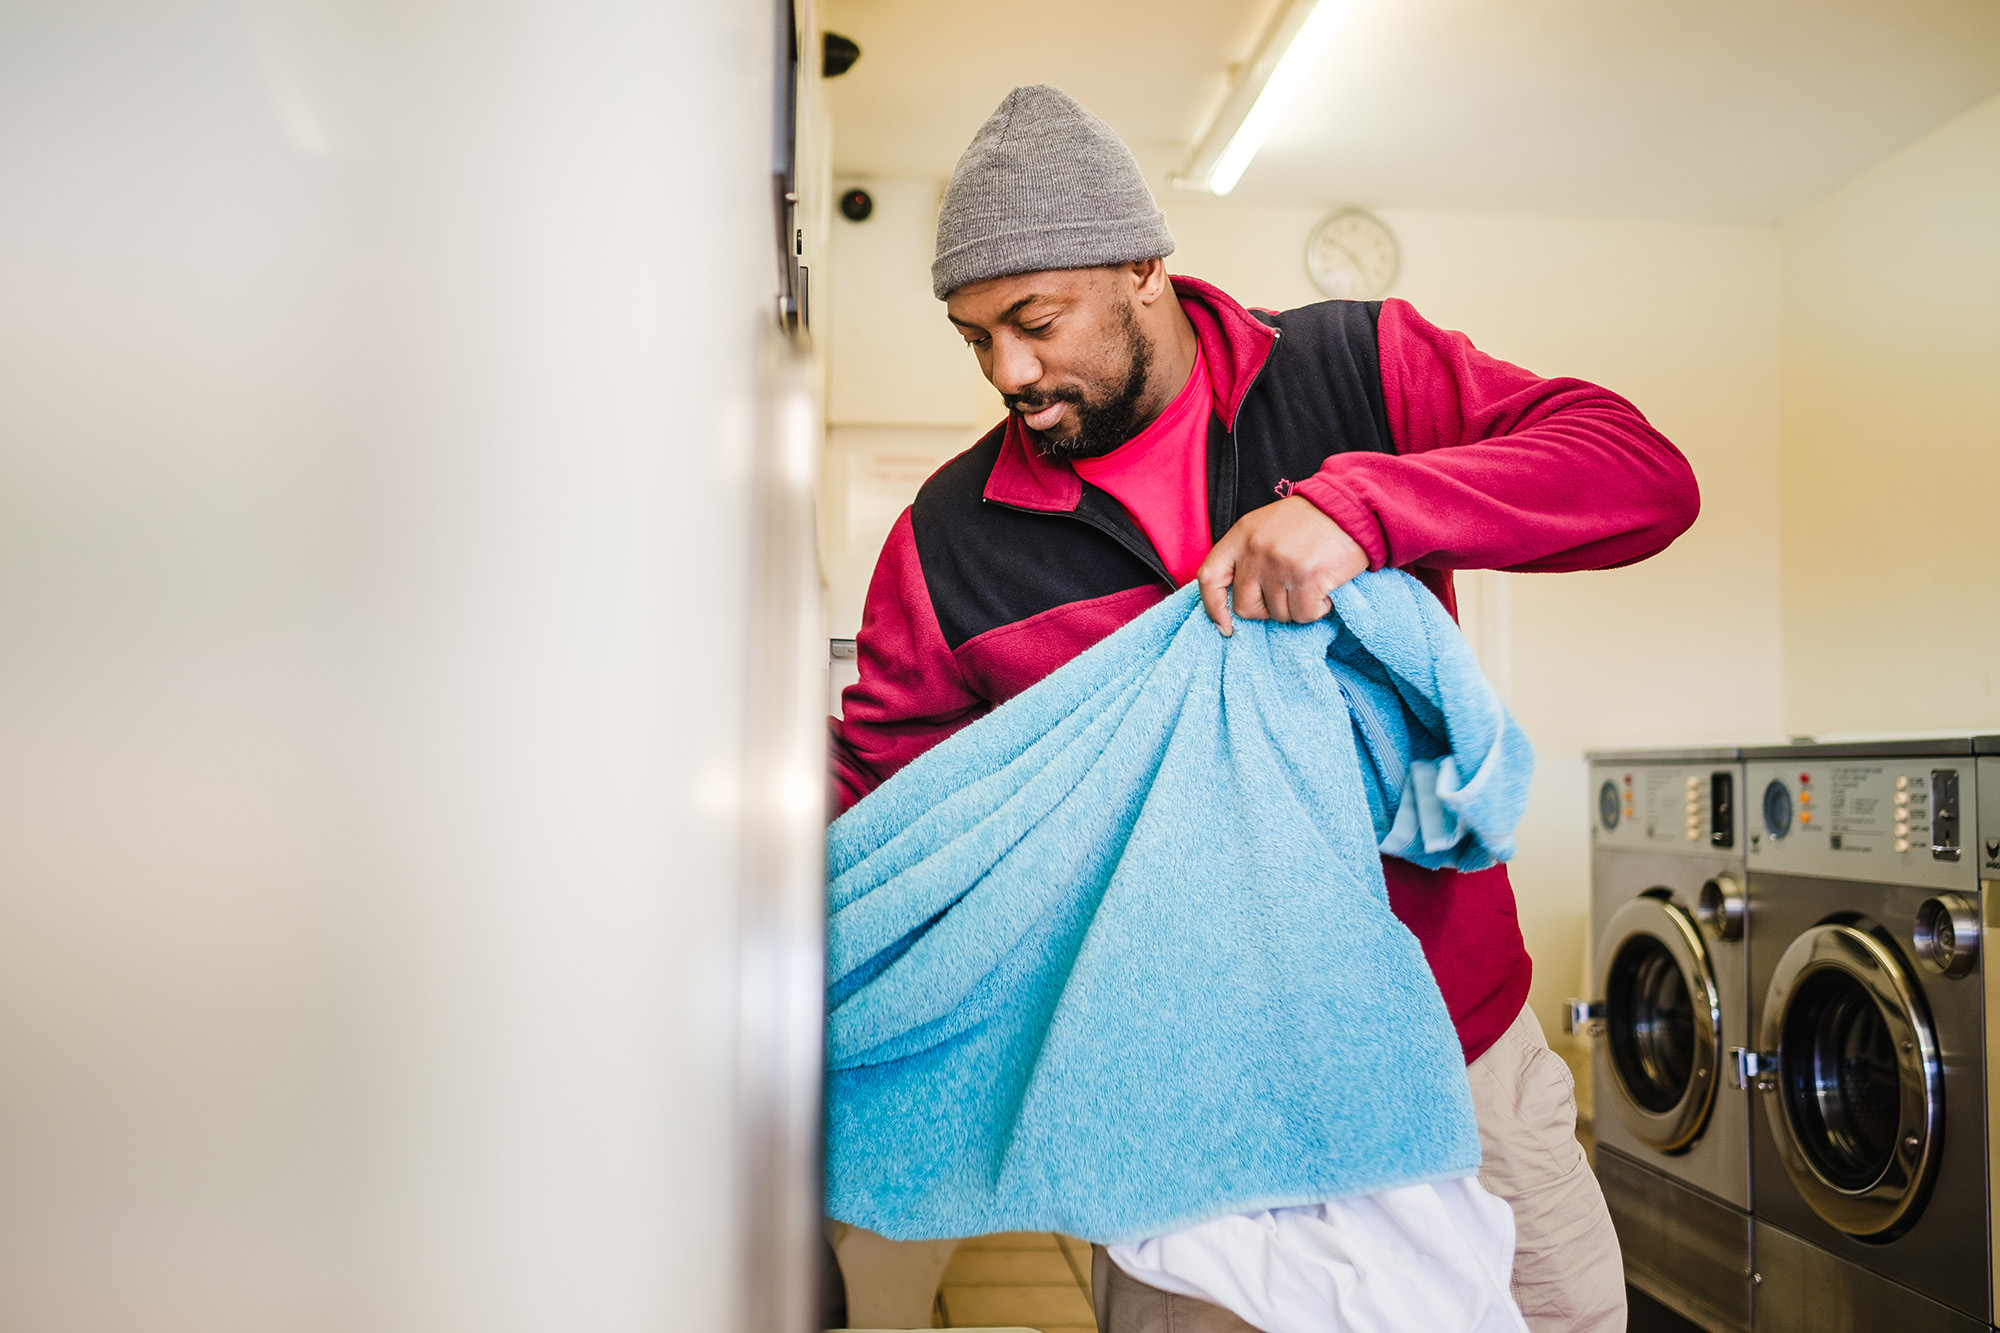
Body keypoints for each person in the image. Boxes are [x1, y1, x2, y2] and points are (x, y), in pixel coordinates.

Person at [828, 84, 1698, 1333]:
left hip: (1451, 1051)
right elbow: (881, 795)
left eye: (1033, 321)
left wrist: (1365, 509)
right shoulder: (948, 543)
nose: (1009, 372)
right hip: (1174, 1108)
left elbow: (1637, 474)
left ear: (1141, 265)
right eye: (976, 339)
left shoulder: (1352, 369)